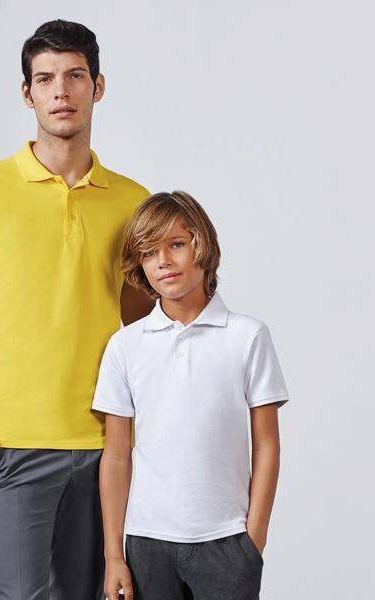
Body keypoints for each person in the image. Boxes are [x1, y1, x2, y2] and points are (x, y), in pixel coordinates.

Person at [0, 20, 153, 600]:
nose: (60, 91)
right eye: (45, 79)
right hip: (11, 444)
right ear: (27, 94)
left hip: (107, 445)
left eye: (75, 76)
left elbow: (146, 325)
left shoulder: (134, 201)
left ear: (98, 86)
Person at [92, 191, 289, 600]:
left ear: (203, 246)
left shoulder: (247, 336)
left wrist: (253, 540)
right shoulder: (125, 346)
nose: (163, 260)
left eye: (177, 244)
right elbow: (116, 455)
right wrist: (113, 556)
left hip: (226, 541)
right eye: (149, 252)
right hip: (147, 543)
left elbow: (267, 444)